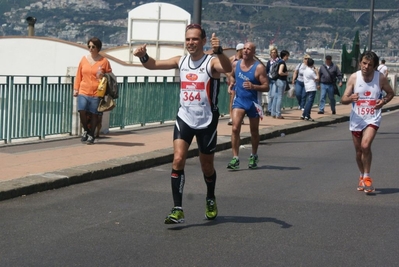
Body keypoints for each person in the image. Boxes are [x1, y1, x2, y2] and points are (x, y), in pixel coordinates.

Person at [133, 24, 232, 224]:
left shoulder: (211, 62)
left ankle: (210, 197)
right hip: (184, 117)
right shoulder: (182, 61)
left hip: (206, 121)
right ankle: (178, 208)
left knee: (207, 167)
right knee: (178, 159)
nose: (190, 43)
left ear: (203, 41)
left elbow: (228, 68)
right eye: (188, 39)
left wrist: (219, 51)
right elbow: (153, 65)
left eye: (195, 39)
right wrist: (143, 56)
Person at [341, 51, 394, 193]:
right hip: (357, 118)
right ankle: (361, 175)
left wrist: (383, 101)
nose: (366, 66)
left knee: (365, 145)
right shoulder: (354, 77)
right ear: (360, 63)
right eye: (364, 63)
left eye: (370, 64)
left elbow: (391, 93)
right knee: (359, 151)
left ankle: (367, 176)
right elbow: (343, 99)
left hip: (372, 117)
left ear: (375, 66)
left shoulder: (380, 78)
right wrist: (351, 98)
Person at [227, 42, 269, 170]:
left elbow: (266, 86)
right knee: (235, 128)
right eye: (244, 48)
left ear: (253, 52)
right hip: (239, 100)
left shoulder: (259, 68)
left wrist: (254, 86)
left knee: (254, 131)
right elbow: (229, 73)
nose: (245, 51)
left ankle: (254, 155)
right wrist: (232, 83)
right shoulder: (236, 64)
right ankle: (235, 158)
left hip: (253, 103)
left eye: (248, 49)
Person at [73, 37, 112, 144]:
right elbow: (78, 75)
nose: (90, 48)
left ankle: (92, 134)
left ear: (98, 48)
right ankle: (86, 130)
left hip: (97, 91)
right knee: (82, 110)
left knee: (95, 113)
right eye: (89, 46)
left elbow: (110, 75)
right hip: (83, 90)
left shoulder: (104, 61)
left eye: (93, 47)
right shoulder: (84, 59)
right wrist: (76, 89)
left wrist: (104, 76)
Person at [227, 43, 244, 125]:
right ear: (239, 50)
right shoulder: (232, 59)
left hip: (242, 81)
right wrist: (229, 76)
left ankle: (240, 117)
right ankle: (231, 117)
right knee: (232, 99)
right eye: (243, 49)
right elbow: (225, 68)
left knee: (241, 99)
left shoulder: (245, 59)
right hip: (233, 81)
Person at [270, 50, 290, 119]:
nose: (288, 58)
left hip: (276, 81)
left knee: (276, 97)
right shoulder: (282, 63)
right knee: (279, 97)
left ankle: (273, 112)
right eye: (287, 56)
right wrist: (286, 73)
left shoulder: (278, 61)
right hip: (281, 81)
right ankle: (278, 114)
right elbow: (280, 72)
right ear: (285, 56)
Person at [265, 48, 279, 116]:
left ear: (276, 53)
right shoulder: (269, 62)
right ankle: (269, 109)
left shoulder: (278, 61)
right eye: (272, 52)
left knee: (273, 95)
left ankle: (272, 109)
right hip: (270, 80)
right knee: (270, 95)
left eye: (274, 52)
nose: (273, 54)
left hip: (275, 80)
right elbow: (266, 70)